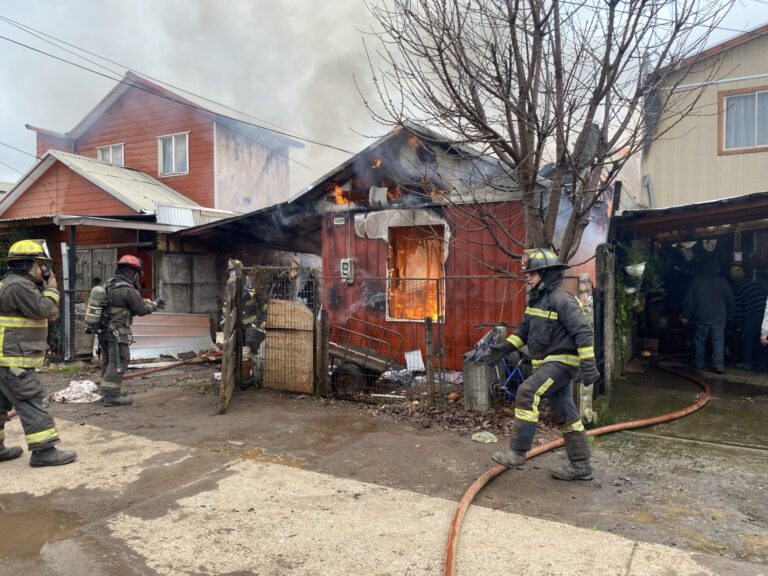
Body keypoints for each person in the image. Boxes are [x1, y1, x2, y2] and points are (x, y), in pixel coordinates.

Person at [484, 248, 599, 481]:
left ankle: (517, 452)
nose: (528, 276)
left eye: (533, 273)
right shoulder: (537, 301)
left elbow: (583, 331)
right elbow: (524, 332)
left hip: (561, 362)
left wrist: (588, 364)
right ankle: (581, 465)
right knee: (565, 413)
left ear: (546, 274)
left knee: (527, 392)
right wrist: (504, 347)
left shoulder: (562, 299)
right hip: (548, 364)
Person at [0, 239, 77, 466]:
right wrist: (52, 288)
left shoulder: (12, 284)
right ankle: (44, 451)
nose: (44, 270)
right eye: (40, 265)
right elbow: (45, 309)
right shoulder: (19, 287)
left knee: (1, 405)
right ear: (27, 264)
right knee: (32, 400)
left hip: (5, 358)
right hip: (13, 359)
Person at [97, 255, 165, 407]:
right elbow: (140, 309)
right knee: (120, 361)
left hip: (103, 331)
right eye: (137, 274)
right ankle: (111, 396)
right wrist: (154, 305)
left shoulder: (108, 285)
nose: (137, 278)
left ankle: (107, 392)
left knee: (108, 361)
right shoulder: (127, 289)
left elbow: (125, 305)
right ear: (131, 272)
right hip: (117, 332)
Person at [680, 257, 734, 373]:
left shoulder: (696, 281)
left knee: (700, 340)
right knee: (718, 340)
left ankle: (699, 364)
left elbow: (689, 300)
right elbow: (730, 301)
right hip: (720, 316)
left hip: (702, 314)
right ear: (718, 269)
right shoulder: (723, 282)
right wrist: (731, 315)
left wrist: (686, 315)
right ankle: (718, 365)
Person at [731, 266, 767, 371]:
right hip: (764, 313)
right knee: (761, 339)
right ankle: (761, 363)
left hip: (751, 315)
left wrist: (736, 322)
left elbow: (737, 309)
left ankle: (747, 362)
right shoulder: (755, 284)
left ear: (733, 279)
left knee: (749, 339)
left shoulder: (737, 289)